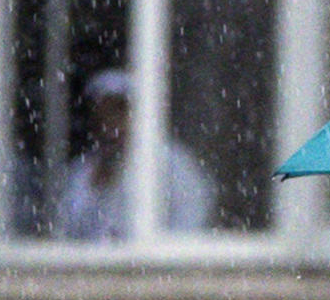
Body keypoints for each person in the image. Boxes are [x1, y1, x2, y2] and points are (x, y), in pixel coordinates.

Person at [56, 69, 215, 240]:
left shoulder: (173, 164)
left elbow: (190, 224)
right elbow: (66, 233)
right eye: (101, 114)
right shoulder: (82, 171)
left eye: (118, 111)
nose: (109, 122)